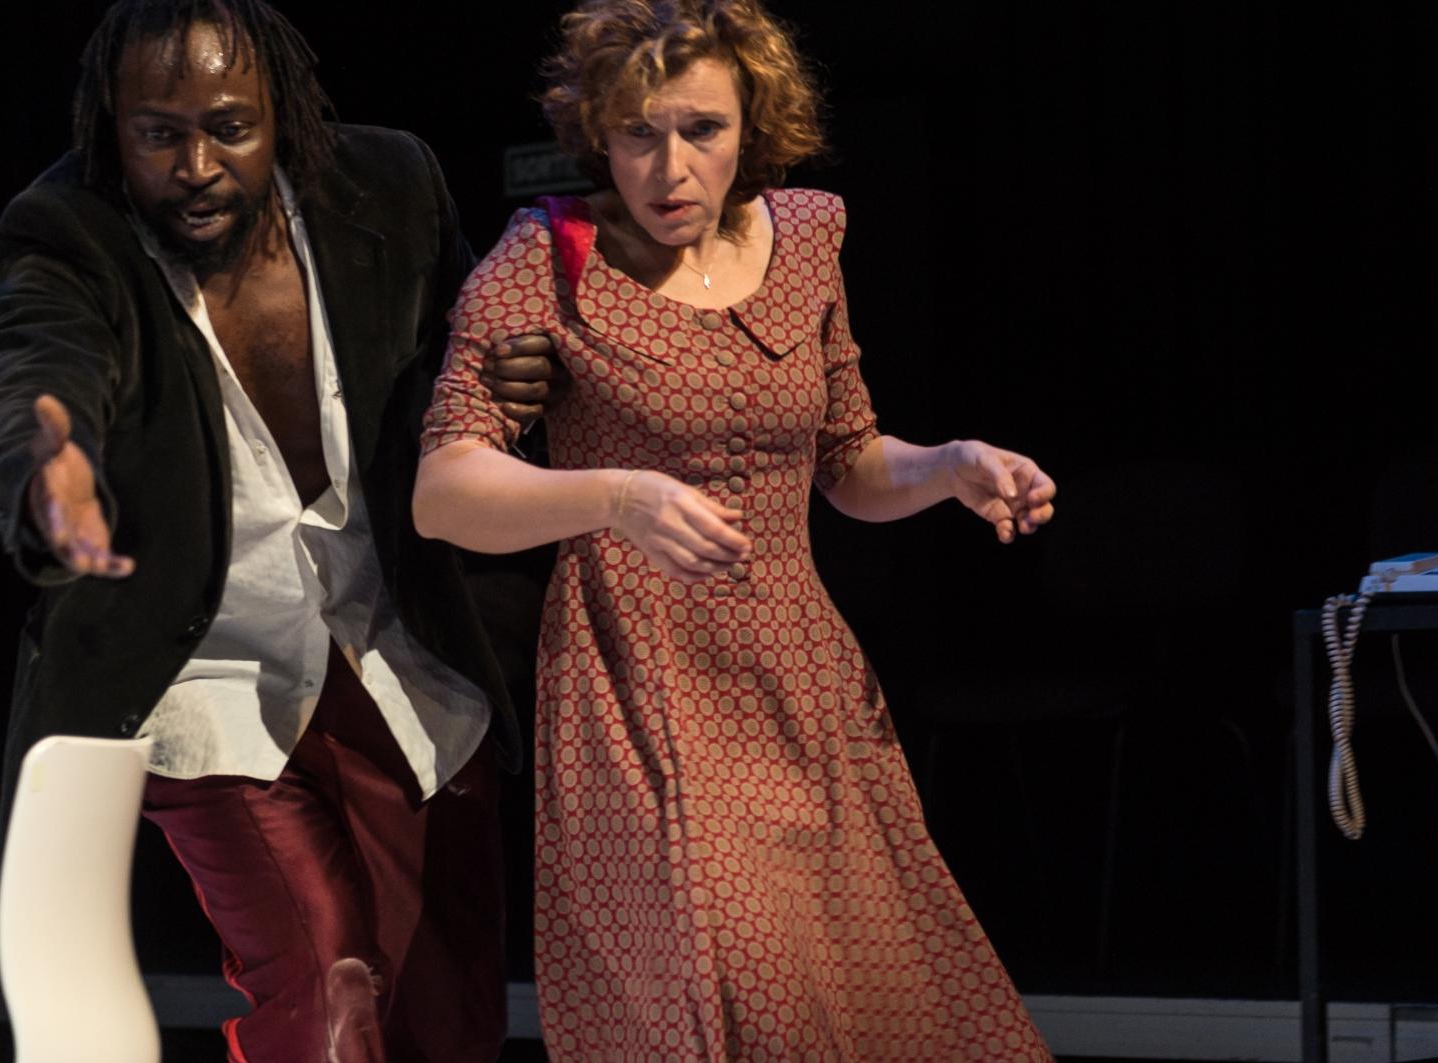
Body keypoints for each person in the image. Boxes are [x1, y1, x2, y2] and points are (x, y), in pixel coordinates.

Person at [413, 0, 1059, 1057]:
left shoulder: (803, 239)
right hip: (638, 682)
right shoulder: (546, 256)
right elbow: (445, 487)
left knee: (876, 993)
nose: (668, 167)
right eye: (637, 133)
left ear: (750, 126)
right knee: (740, 993)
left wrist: (947, 466)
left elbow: (849, 462)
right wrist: (616, 497)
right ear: (598, 133)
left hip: (800, 680)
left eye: (701, 130)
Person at [0, 1, 548, 1058]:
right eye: (158, 134)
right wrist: (51, 464)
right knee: (321, 982)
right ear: (112, 125)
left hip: (399, 651)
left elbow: (464, 356)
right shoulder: (68, 228)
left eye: (229, 129)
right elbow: (35, 364)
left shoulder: (390, 185)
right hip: (207, 674)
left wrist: (500, 384)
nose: (195, 167)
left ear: (281, 111)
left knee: (446, 1014)